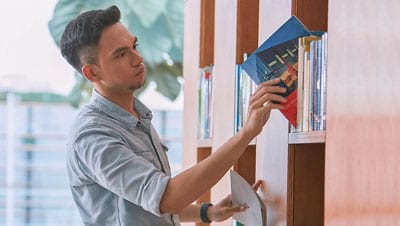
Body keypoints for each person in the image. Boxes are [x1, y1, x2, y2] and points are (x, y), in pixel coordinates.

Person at [60, 5, 286, 226]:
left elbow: (147, 204)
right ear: (92, 72)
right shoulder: (93, 135)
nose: (138, 58)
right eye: (120, 54)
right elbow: (168, 198)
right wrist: (247, 133)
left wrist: (207, 212)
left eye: (134, 46)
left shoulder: (137, 116)